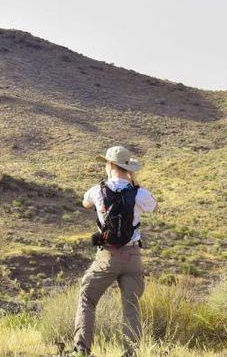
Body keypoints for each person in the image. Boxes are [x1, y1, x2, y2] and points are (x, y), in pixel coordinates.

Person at [71, 146, 157, 357]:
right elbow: (155, 208)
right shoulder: (140, 193)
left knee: (87, 297)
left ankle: (82, 350)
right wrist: (134, 184)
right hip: (133, 257)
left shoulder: (96, 190)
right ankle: (131, 353)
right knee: (131, 306)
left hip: (108, 256)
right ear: (127, 168)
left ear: (109, 165)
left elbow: (85, 203)